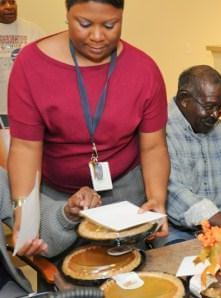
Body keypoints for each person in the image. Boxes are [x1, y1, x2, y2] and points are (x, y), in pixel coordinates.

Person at [7, 0, 169, 258]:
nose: (97, 37)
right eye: (84, 24)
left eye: (109, 25)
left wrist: (157, 199)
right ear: (67, 15)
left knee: (128, 275)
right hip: (57, 197)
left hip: (125, 193)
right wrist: (23, 217)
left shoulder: (144, 69)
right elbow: (25, 148)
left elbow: (153, 146)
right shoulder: (31, 65)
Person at [154, 65, 221, 247]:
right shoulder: (160, 129)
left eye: (219, 107)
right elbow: (175, 194)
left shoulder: (214, 126)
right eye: (209, 107)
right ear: (184, 100)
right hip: (180, 231)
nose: (216, 115)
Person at [0, 0, 44, 115]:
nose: (9, 7)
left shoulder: (33, 30)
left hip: (27, 105)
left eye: (12, 2)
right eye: (2, 3)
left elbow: (45, 66)